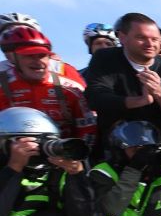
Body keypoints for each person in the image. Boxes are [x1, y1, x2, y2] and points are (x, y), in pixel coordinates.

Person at [83, 13, 161, 144]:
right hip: (115, 143)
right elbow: (95, 98)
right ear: (122, 38)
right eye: (141, 38)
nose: (150, 44)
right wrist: (139, 101)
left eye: (155, 39)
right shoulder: (105, 58)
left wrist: (159, 92)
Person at [0, 27, 97, 155]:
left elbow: (88, 129)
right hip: (11, 157)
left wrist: (77, 156)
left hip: (61, 155)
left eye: (42, 55)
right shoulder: (3, 87)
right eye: (29, 56)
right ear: (14, 59)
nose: (38, 61)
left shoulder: (71, 89)